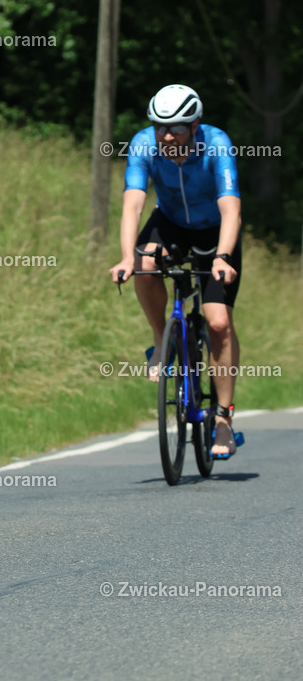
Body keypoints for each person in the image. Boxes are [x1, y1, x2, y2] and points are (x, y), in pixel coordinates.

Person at [109, 83, 242, 458]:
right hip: (170, 223)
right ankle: (160, 342)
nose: (168, 136)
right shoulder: (143, 145)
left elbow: (231, 209)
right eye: (160, 126)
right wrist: (124, 257)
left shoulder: (216, 144)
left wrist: (223, 257)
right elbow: (133, 205)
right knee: (143, 263)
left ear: (196, 124)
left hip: (217, 231)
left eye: (179, 127)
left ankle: (223, 419)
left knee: (217, 323)